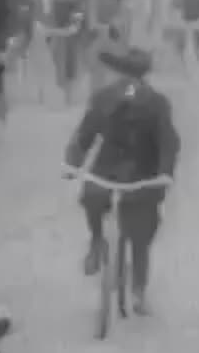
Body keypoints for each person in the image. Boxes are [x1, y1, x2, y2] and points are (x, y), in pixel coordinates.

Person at [63, 44, 180, 316]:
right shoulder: (132, 100)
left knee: (135, 225)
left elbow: (167, 142)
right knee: (98, 201)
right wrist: (72, 162)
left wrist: (165, 173)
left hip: (133, 173)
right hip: (127, 172)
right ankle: (98, 242)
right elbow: (86, 134)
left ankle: (136, 287)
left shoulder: (140, 101)